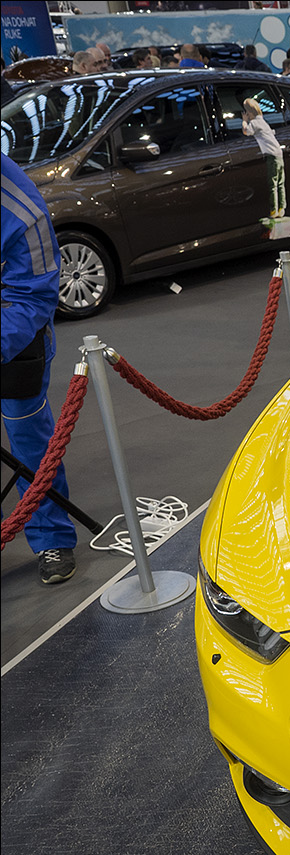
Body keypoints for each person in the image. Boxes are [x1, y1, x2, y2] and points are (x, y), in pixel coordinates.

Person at [1, 153, 78, 585]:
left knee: (30, 442)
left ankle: (52, 537)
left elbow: (33, 295)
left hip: (15, 336)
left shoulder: (16, 204)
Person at [241, 98, 285, 217]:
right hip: (279, 153)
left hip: (271, 155)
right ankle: (282, 208)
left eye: (247, 112)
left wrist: (244, 121)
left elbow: (246, 131)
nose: (246, 114)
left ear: (250, 112)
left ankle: (274, 210)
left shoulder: (254, 123)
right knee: (280, 183)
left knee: (272, 184)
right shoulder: (263, 122)